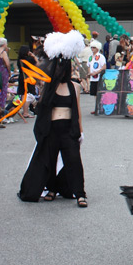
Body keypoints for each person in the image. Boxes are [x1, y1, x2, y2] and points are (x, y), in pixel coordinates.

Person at [18, 30, 87, 207]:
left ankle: (80, 193)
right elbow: (42, 107)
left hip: (68, 130)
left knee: (73, 161)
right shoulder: (49, 87)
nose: (63, 67)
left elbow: (77, 110)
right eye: (60, 64)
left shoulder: (75, 87)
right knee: (49, 161)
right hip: (51, 130)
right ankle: (52, 189)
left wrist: (80, 132)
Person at [17, 45, 39, 118]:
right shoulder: (30, 59)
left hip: (21, 76)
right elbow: (38, 64)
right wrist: (33, 56)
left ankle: (25, 110)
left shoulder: (19, 59)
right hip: (28, 77)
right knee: (28, 94)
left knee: (23, 94)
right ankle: (26, 112)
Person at [87, 40, 106, 113]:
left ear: (97, 48)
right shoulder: (90, 57)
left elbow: (104, 67)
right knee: (95, 94)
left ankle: (101, 107)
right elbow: (88, 66)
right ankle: (97, 107)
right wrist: (89, 73)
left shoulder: (101, 56)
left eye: (94, 48)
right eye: (91, 47)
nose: (92, 49)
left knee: (100, 93)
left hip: (99, 77)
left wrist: (96, 72)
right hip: (93, 78)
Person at [0, 37, 11, 109]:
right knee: (4, 88)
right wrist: (9, 72)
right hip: (3, 71)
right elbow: (7, 64)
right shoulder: (3, 52)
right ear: (4, 44)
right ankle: (2, 106)